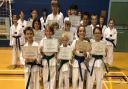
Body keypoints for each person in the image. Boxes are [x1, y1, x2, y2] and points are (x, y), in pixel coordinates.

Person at [39, 25, 58, 89]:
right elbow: (40, 53)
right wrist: (41, 51)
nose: (49, 32)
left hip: (52, 60)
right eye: (47, 31)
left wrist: (57, 52)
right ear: (45, 32)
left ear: (52, 32)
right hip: (45, 60)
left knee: (53, 76)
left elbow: (57, 51)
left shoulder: (55, 40)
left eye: (50, 31)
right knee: (45, 76)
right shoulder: (42, 41)